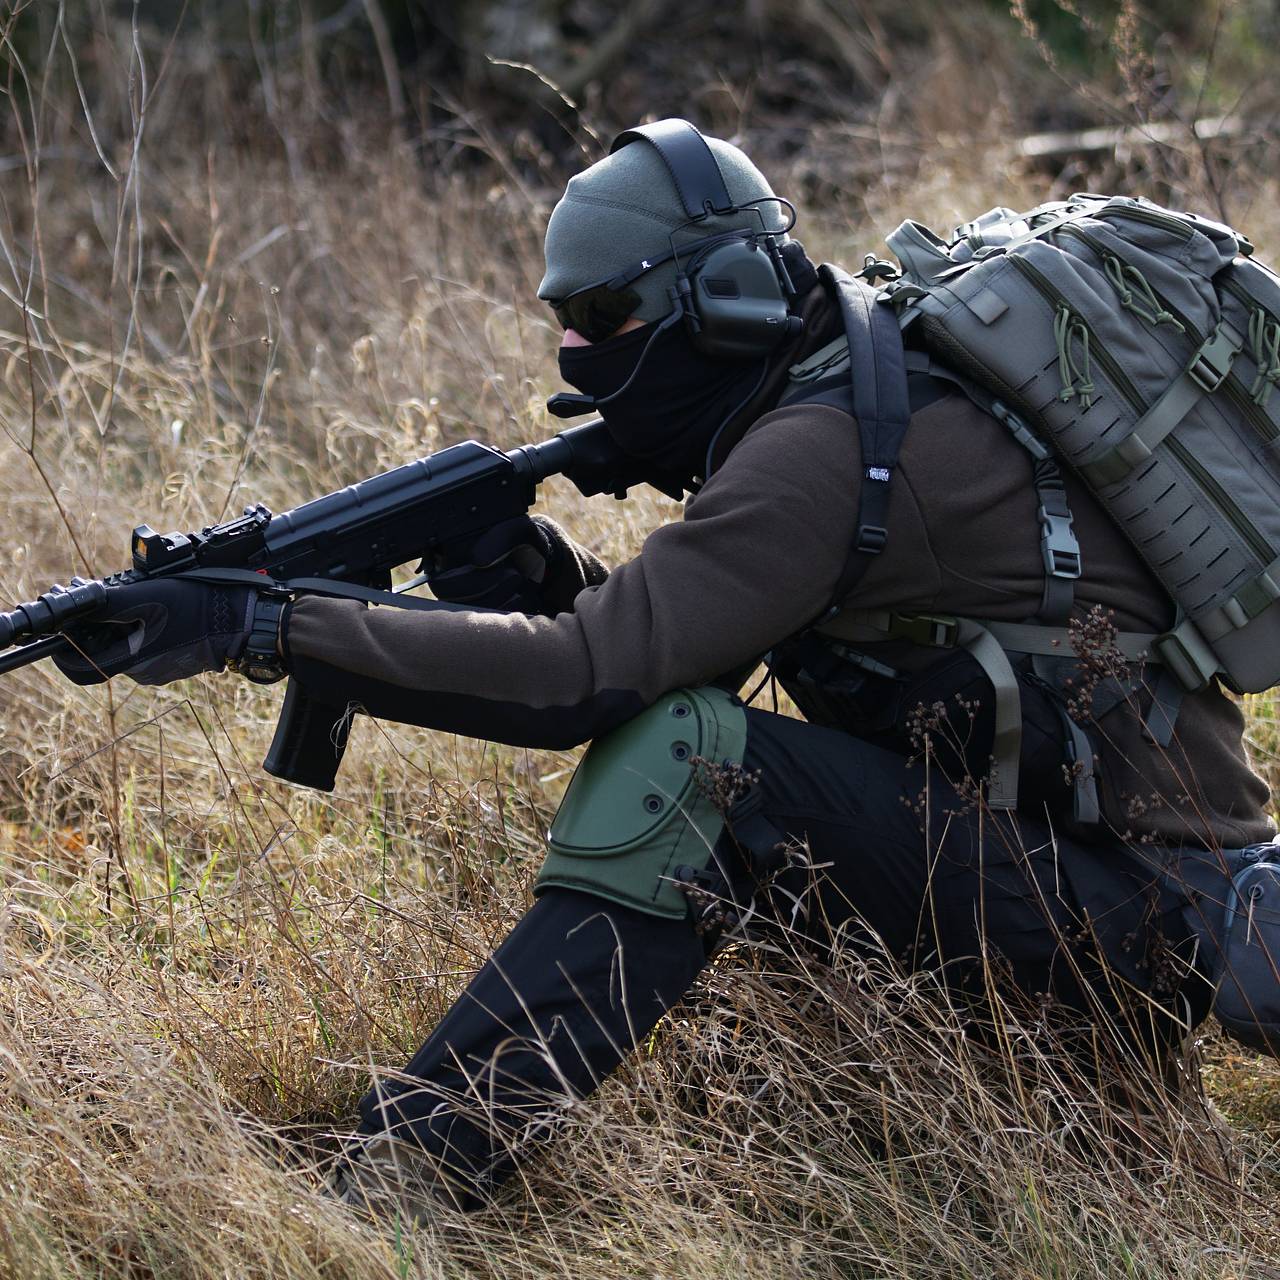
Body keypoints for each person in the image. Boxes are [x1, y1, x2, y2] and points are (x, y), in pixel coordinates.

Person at [52, 120, 1274, 1217]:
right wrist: (528, 568)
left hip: (1134, 912)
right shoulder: (847, 383)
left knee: (691, 765)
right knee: (691, 737)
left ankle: (396, 1186)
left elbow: (588, 680)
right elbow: (655, 636)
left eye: (607, 316)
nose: (579, 349)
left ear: (728, 299)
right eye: (562, 321)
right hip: (1060, 863)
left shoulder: (824, 444)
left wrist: (267, 625)